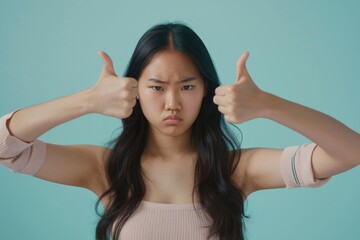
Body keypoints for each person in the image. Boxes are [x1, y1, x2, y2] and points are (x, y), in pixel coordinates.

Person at [0, 22, 359, 240]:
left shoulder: (235, 170)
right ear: (134, 90)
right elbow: (7, 147)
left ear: (205, 90)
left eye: (187, 87)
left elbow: (349, 152)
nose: (172, 102)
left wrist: (269, 105)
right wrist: (87, 101)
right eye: (156, 87)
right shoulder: (106, 168)